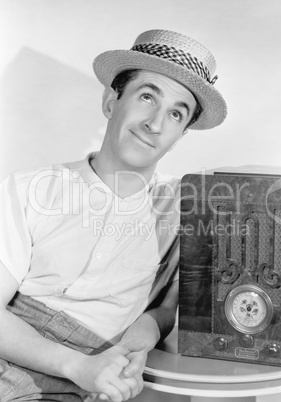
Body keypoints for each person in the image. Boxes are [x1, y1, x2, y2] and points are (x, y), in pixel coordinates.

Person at [0, 29, 227, 401]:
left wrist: (143, 336)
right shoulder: (29, 189)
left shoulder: (189, 206)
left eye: (175, 113)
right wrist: (78, 367)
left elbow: (169, 305)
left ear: (180, 135)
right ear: (111, 101)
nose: (155, 123)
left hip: (100, 372)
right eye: (147, 97)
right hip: (16, 349)